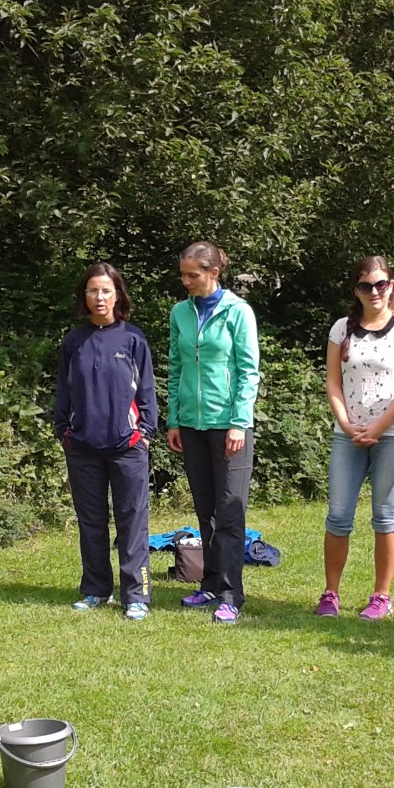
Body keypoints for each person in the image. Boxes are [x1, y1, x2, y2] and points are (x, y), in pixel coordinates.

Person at [316, 257, 394, 620]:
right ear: (356, 290)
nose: (374, 292)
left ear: (391, 285)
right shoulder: (341, 329)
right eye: (366, 286)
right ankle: (330, 593)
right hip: (348, 435)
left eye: (381, 284)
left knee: (385, 515)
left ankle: (381, 596)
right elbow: (333, 383)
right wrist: (347, 425)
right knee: (338, 515)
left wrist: (379, 427)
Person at [54, 262, 158, 621]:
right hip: (82, 447)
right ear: (84, 296)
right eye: (93, 291)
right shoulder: (74, 341)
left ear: (117, 295)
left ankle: (136, 595)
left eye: (106, 291)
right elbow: (64, 391)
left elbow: (146, 392)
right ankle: (97, 589)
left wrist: (144, 434)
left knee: (133, 522)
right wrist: (64, 431)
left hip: (128, 447)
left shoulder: (133, 338)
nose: (99, 297)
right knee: (91, 523)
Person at [165, 240, 261, 624]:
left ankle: (231, 594)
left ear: (213, 273)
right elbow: (176, 367)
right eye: (183, 275)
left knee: (229, 511)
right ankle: (209, 584)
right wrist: (174, 419)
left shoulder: (238, 311)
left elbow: (248, 371)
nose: (186, 281)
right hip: (191, 425)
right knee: (205, 510)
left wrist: (239, 421)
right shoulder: (180, 313)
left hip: (229, 426)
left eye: (193, 275)